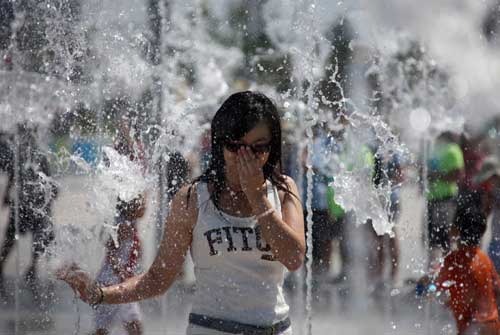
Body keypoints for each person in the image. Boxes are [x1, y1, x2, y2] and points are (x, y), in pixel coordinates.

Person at [57, 91, 306, 335]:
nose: (246, 158)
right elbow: (159, 277)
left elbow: (294, 258)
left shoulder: (283, 190)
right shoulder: (192, 199)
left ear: (272, 147)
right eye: (235, 146)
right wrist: (100, 294)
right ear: (220, 144)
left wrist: (258, 198)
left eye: (258, 148)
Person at [91, 118, 146, 335]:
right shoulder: (124, 223)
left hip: (114, 280)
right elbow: (111, 250)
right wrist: (122, 272)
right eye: (141, 201)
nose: (145, 206)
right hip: (116, 282)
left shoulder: (126, 222)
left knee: (105, 329)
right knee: (133, 328)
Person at [417, 208, 500, 335]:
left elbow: (433, 286)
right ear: (482, 232)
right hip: (492, 325)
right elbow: (496, 288)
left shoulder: (453, 261)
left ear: (454, 231)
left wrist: (423, 285)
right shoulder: (484, 259)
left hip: (471, 328)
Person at [0, 123, 58, 299]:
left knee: (38, 240)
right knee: (13, 239)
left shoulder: (38, 155)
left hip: (36, 205)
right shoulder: (23, 154)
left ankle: (31, 268)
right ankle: (11, 268)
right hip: (27, 205)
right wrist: (6, 197)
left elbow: (48, 179)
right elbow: (13, 176)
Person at [425, 131, 464, 267]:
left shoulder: (453, 150)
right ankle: (433, 272)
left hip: (446, 199)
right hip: (432, 199)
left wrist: (437, 176)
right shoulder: (432, 149)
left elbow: (458, 174)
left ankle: (448, 270)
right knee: (431, 238)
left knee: (444, 237)